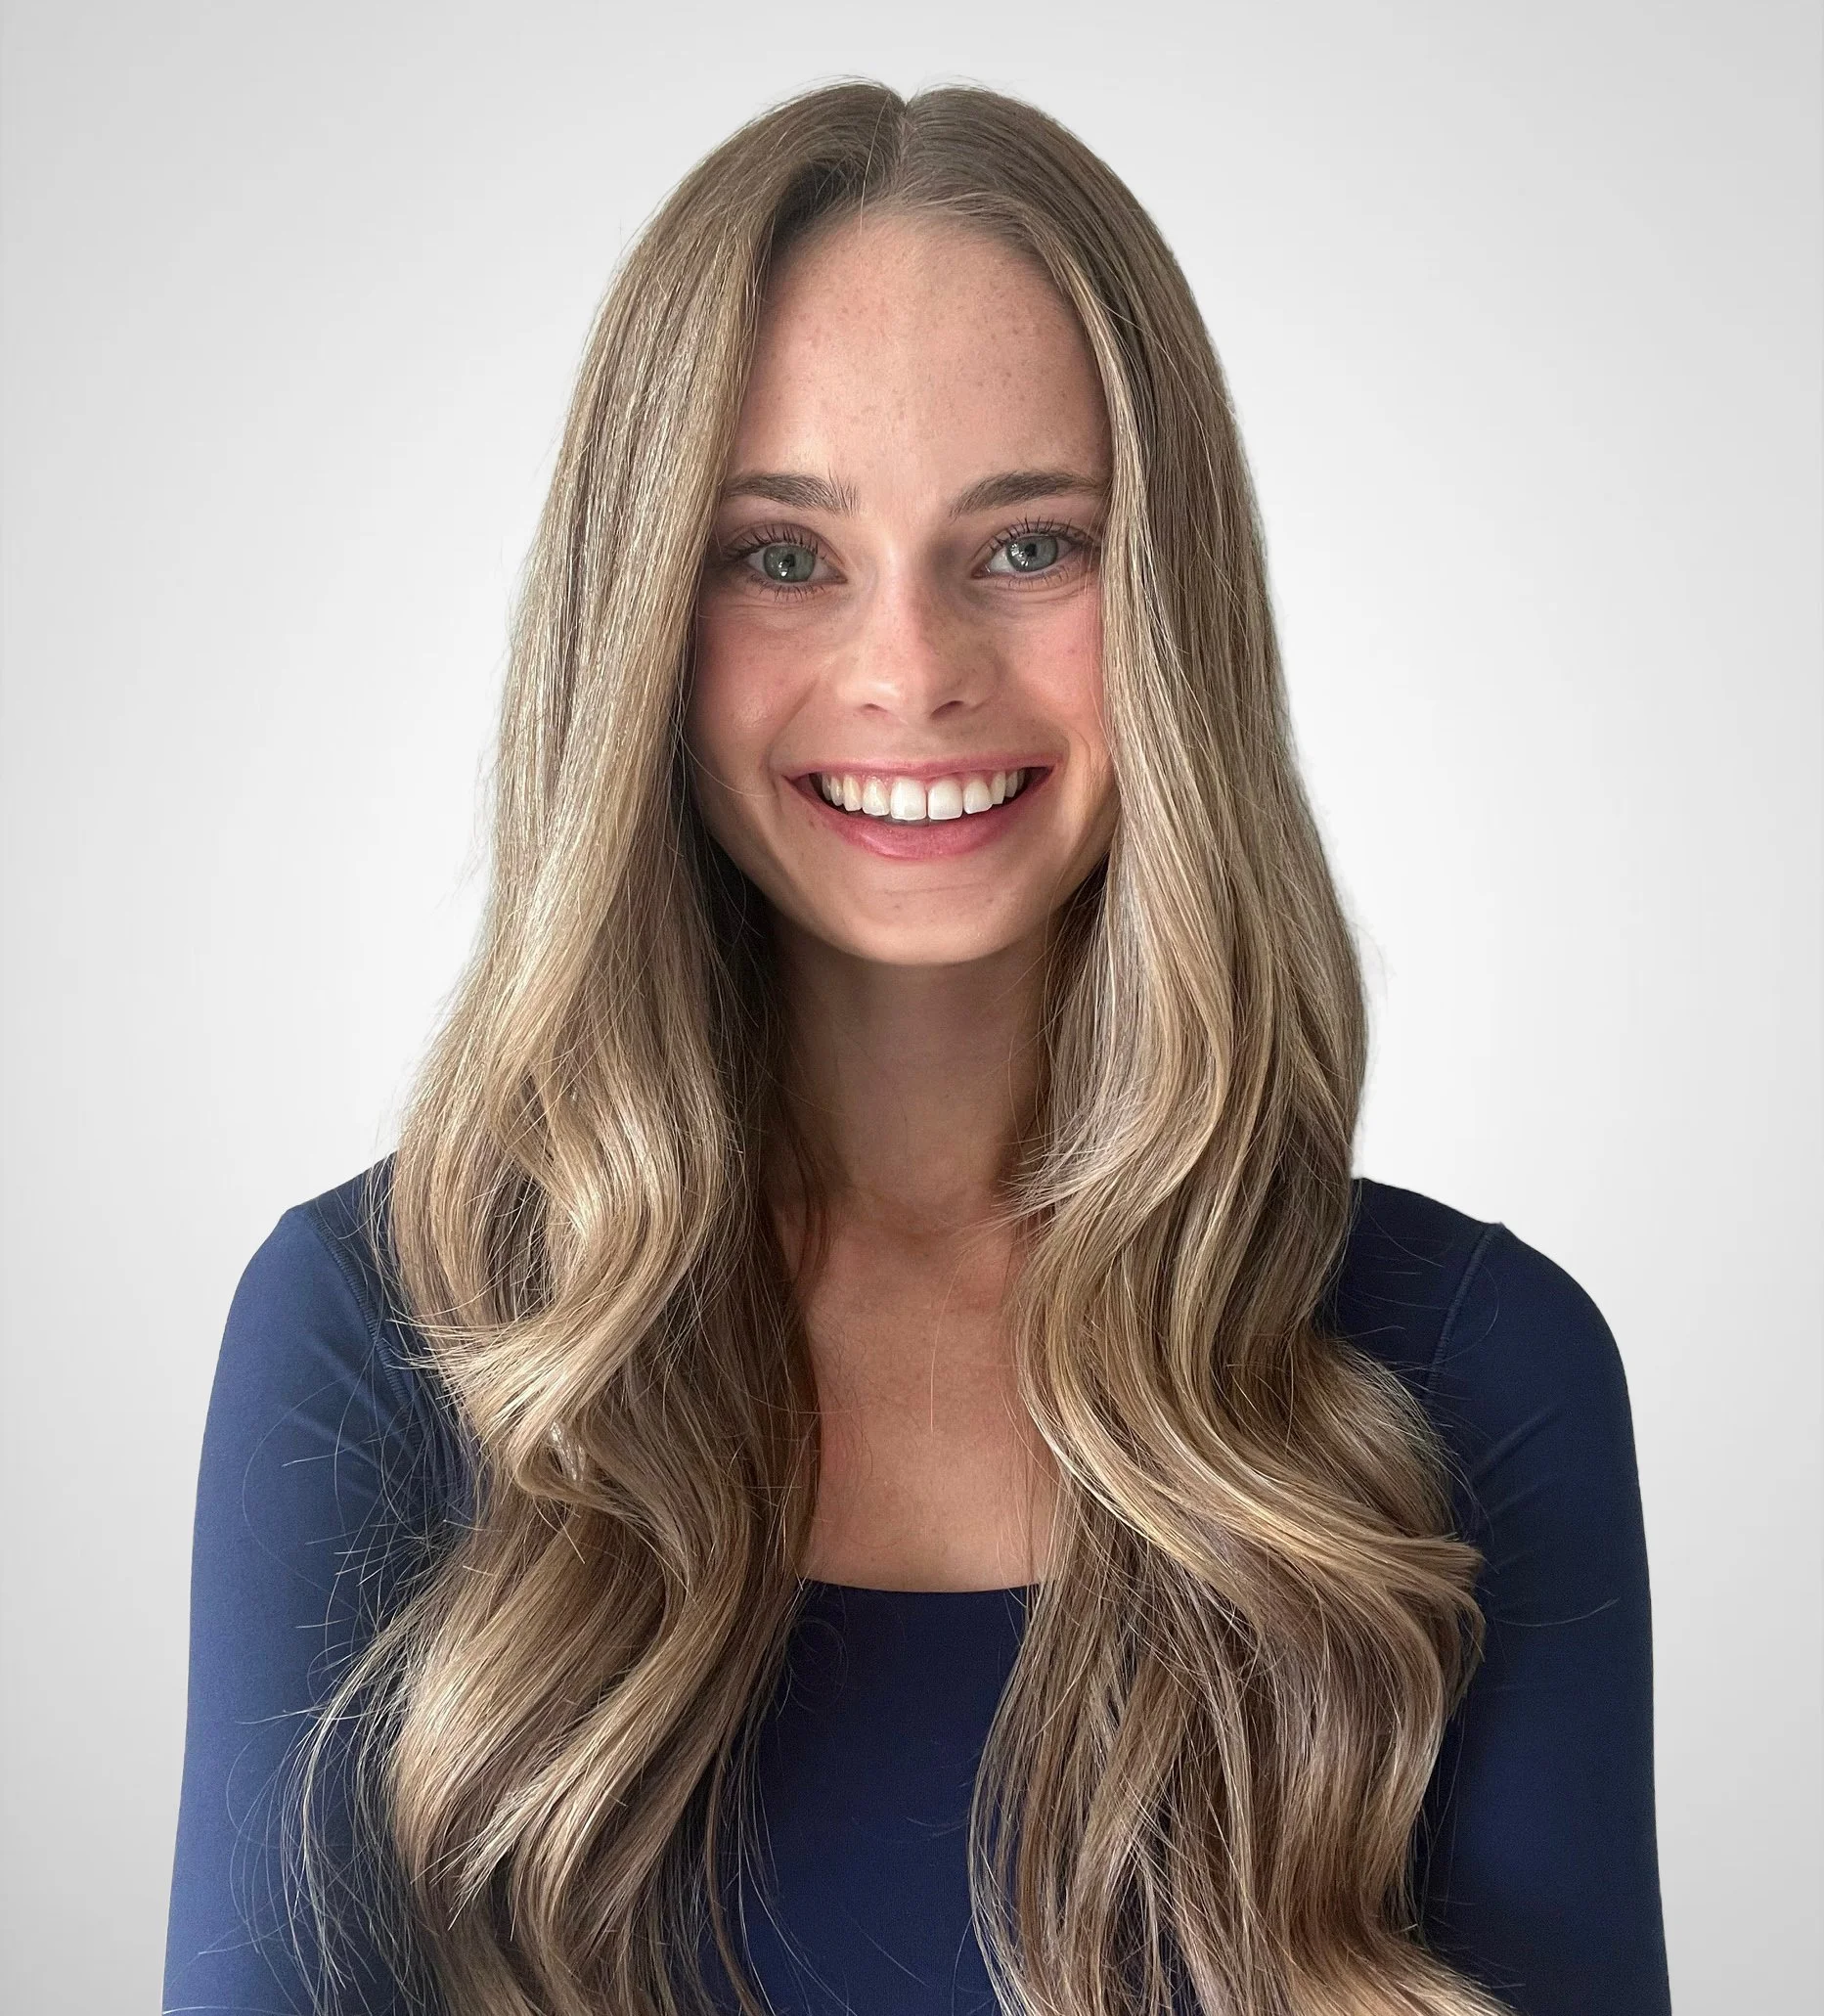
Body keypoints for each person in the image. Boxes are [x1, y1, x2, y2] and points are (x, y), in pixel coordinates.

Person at [162, 80, 1671, 2016]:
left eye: (1027, 545)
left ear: (1165, 605)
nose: (909, 668)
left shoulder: (1474, 1372)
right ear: (638, 620)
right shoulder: (381, 1339)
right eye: (781, 556)